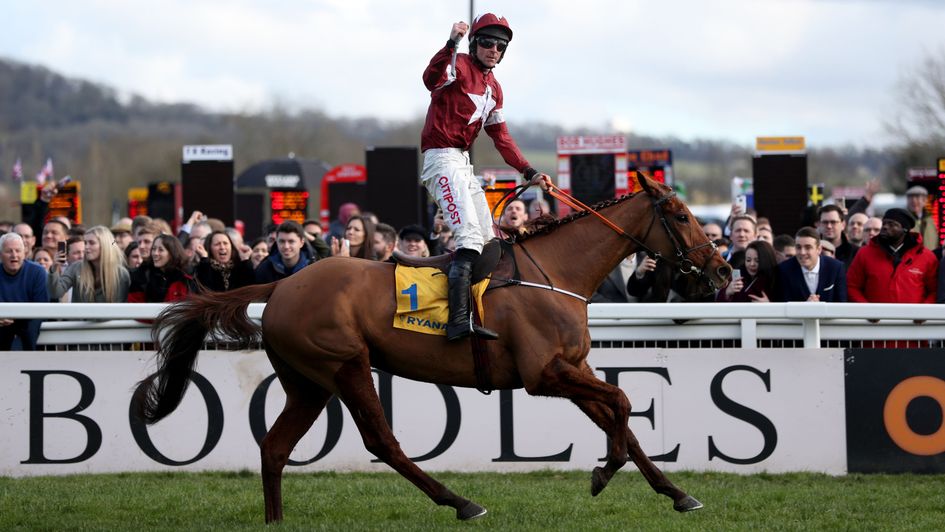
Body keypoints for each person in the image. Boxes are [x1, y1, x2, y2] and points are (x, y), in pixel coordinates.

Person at [421, 14, 552, 340]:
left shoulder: (495, 88)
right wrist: (451, 42)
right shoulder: (459, 64)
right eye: (488, 43)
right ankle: (456, 322)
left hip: (462, 164)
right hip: (440, 159)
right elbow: (430, 78)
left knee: (489, 242)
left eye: (501, 46)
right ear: (474, 43)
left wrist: (529, 171)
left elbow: (502, 137)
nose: (494, 50)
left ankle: (482, 311)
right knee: (467, 239)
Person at [847, 208, 937, 303]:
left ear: (905, 229)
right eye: (884, 223)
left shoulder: (927, 257)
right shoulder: (864, 253)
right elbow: (852, 286)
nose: (885, 227)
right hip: (875, 316)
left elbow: (934, 291)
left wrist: (922, 314)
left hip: (913, 317)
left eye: (891, 224)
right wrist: (868, 311)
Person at [48, 225, 130, 303]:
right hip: (79, 317)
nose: (86, 247)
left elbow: (120, 309)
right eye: (85, 243)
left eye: (91, 243)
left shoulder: (121, 274)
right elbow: (56, 293)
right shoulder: (76, 267)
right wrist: (54, 268)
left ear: (104, 245)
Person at [0, 233, 48, 350]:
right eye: (9, 251)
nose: (14, 255)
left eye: (18, 251)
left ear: (25, 253)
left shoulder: (38, 272)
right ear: (0, 254)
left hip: (29, 324)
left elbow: (42, 306)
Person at [776, 226, 847, 302]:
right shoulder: (784, 270)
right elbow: (783, 305)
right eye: (798, 247)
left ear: (819, 249)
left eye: (808, 247)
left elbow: (841, 303)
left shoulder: (835, 268)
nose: (802, 252)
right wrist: (806, 307)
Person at [127, 234, 195, 303]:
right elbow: (134, 306)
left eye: (161, 250)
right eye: (153, 249)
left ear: (172, 253)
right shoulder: (142, 274)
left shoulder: (186, 276)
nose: (155, 253)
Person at [905, 185, 938, 250]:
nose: (914, 201)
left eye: (917, 197)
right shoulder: (903, 219)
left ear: (925, 201)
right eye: (910, 198)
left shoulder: (933, 219)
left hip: (931, 257)